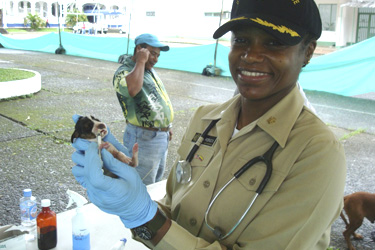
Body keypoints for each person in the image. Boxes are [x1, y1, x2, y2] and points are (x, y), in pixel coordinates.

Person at [71, 0, 347, 249]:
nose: (250, 55)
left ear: (308, 52)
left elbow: (160, 227)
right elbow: (174, 209)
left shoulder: (317, 152)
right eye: (241, 40)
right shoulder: (205, 119)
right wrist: (132, 204)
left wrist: (142, 215)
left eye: (274, 43)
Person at [112, 33, 174, 185]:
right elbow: (132, 89)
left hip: (159, 136)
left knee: (154, 182)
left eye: (158, 55)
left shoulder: (148, 70)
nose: (156, 59)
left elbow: (157, 99)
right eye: (152, 53)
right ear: (139, 49)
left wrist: (166, 127)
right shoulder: (124, 72)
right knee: (140, 186)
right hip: (144, 138)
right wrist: (140, 61)